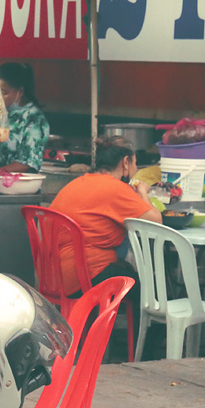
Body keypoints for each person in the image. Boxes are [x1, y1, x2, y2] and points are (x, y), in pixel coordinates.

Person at [49, 136, 159, 327]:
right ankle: (144, 350)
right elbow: (156, 221)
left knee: (126, 269)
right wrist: (143, 192)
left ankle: (109, 335)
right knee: (147, 285)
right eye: (135, 163)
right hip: (82, 277)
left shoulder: (79, 182)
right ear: (126, 162)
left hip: (52, 275)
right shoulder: (116, 188)